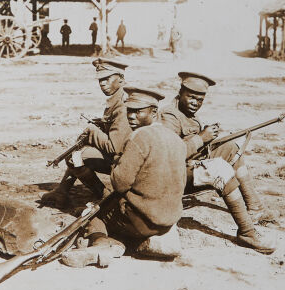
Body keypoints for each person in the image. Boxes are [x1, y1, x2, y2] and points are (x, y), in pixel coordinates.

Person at [61, 86, 205, 268]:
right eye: (129, 111)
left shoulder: (138, 137)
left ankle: (100, 246)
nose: (131, 116)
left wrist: (117, 161)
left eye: (138, 112)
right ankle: (154, 241)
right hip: (169, 218)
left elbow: (120, 184)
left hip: (142, 221)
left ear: (154, 112)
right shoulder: (176, 139)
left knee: (93, 213)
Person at [160, 72, 277, 254]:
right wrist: (201, 138)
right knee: (219, 170)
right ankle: (246, 232)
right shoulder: (169, 115)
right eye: (191, 97)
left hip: (188, 166)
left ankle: (255, 207)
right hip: (172, 177)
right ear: (180, 92)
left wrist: (210, 139)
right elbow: (169, 155)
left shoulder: (191, 115)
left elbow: (193, 146)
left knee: (230, 148)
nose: (195, 103)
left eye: (200, 100)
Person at [40, 58, 131, 208]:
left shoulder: (123, 105)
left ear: (120, 79)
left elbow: (115, 148)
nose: (102, 83)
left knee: (74, 158)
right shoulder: (118, 99)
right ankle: (62, 190)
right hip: (125, 155)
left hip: (126, 161)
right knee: (78, 151)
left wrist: (92, 131)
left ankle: (103, 195)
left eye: (107, 78)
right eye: (100, 80)